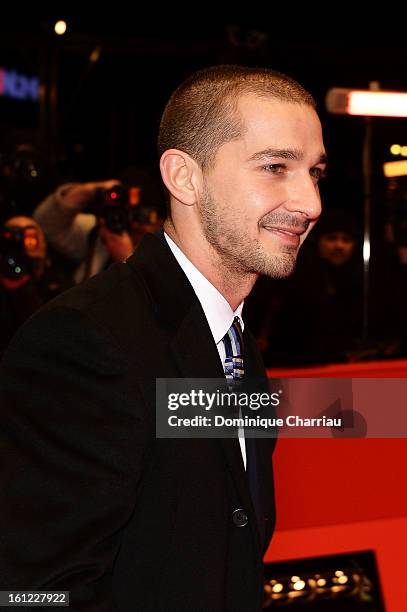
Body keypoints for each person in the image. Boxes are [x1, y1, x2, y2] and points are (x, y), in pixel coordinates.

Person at [0, 65, 325, 611]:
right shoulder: (85, 339)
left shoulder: (231, 337)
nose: (311, 202)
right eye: (275, 167)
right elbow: (32, 591)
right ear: (184, 177)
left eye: (315, 172)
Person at [0, 215, 71, 355]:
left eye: (30, 239)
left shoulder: (61, 284)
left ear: (43, 243)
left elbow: (56, 337)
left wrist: (25, 291)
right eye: (12, 238)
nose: (20, 247)